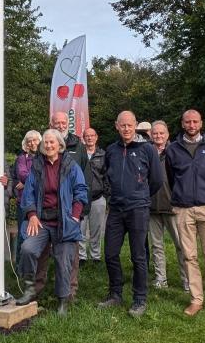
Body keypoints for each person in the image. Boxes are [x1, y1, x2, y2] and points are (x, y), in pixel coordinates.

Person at [15, 129, 88, 315]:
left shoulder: (71, 165)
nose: (48, 145)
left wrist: (74, 215)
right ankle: (30, 289)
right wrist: (31, 214)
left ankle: (63, 300)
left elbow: (81, 190)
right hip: (41, 221)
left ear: (59, 145)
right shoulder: (37, 166)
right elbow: (28, 192)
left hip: (65, 221)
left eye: (51, 142)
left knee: (64, 260)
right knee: (27, 249)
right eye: (45, 143)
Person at [98, 110, 162, 318]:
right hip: (116, 209)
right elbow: (107, 175)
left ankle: (139, 298)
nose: (126, 129)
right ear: (117, 126)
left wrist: (140, 195)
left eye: (129, 125)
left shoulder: (147, 149)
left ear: (135, 126)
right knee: (110, 253)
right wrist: (113, 194)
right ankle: (115, 294)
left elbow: (156, 180)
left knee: (138, 256)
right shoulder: (111, 150)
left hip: (138, 209)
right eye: (122, 125)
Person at [165, 109, 205, 320]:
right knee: (189, 256)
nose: (191, 125)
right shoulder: (173, 149)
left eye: (195, 121)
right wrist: (181, 197)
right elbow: (171, 178)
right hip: (183, 209)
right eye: (187, 122)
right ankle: (196, 299)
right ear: (182, 124)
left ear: (201, 123)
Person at [33, 112, 87, 297]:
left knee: (68, 255)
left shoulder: (78, 146)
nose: (61, 125)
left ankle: (68, 292)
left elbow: (83, 179)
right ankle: (37, 289)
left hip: (68, 214)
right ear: (51, 124)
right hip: (44, 217)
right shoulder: (39, 158)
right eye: (57, 122)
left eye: (64, 122)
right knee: (38, 252)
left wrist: (76, 213)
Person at [148, 121, 188, 291]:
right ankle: (161, 279)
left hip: (173, 206)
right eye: (155, 133)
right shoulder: (147, 152)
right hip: (151, 206)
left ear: (167, 134)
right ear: (150, 135)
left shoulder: (176, 151)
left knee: (182, 245)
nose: (158, 136)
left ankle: (187, 281)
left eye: (161, 133)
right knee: (157, 245)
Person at [11, 130, 42, 264]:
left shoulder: (45, 157)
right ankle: (20, 267)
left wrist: (26, 184)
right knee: (24, 234)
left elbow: (48, 175)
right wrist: (34, 180)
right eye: (29, 141)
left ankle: (37, 267)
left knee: (40, 234)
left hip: (42, 202)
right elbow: (22, 174)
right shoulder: (22, 158)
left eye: (35, 140)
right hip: (24, 203)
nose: (32, 143)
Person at [79, 127, 107, 264]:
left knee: (96, 229)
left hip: (98, 197)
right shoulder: (79, 154)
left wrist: (107, 195)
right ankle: (81, 256)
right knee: (81, 228)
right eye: (87, 136)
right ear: (83, 138)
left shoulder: (103, 155)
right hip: (82, 198)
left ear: (96, 137)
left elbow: (107, 176)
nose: (89, 138)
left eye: (92, 136)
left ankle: (95, 256)